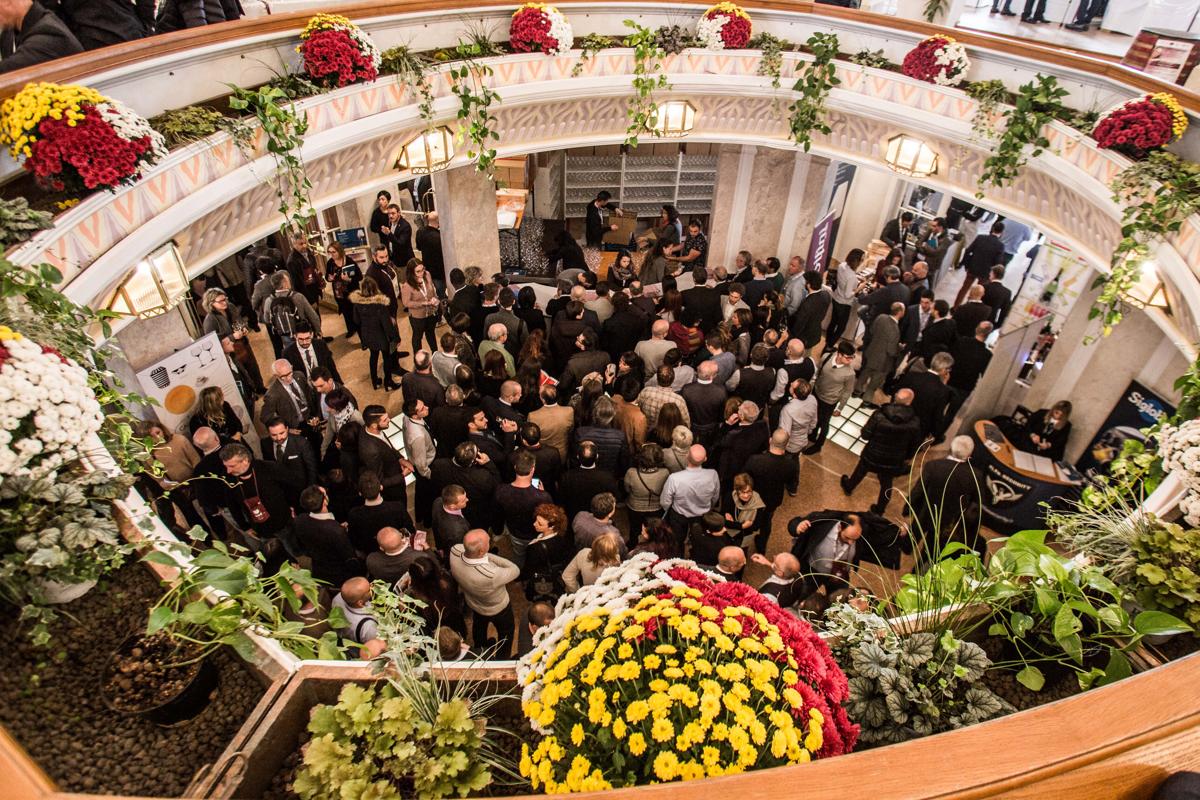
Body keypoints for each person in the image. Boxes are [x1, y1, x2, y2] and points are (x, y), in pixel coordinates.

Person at [840, 388, 923, 514]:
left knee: (860, 471)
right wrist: (906, 458)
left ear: (895, 397)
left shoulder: (879, 414)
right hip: (893, 459)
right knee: (886, 484)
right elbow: (914, 445)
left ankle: (849, 486)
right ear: (910, 402)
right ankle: (880, 509)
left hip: (872, 453)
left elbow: (865, 435)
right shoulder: (914, 422)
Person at [787, 510, 907, 593]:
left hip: (840, 574)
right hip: (812, 571)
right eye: (848, 538)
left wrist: (896, 532)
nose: (851, 542)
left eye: (854, 539)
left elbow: (879, 534)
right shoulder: (823, 524)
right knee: (802, 593)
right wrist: (797, 526)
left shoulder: (861, 533)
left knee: (839, 603)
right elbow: (793, 523)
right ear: (840, 527)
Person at [906, 435, 985, 557]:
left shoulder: (933, 466)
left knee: (913, 536)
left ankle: (906, 549)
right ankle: (922, 563)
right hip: (949, 522)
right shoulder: (976, 475)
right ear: (969, 454)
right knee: (931, 551)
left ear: (951, 448)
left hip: (925, 513)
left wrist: (908, 508)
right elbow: (977, 502)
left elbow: (918, 491)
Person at [449, 529, 520, 657]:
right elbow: (515, 569)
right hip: (498, 609)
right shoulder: (490, 574)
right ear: (481, 551)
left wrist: (480, 555)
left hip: (473, 603)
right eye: (488, 542)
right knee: (506, 632)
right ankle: (502, 657)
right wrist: (487, 556)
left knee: (479, 626)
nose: (490, 542)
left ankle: (481, 648)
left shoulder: (454, 551)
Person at [220, 442, 297, 551]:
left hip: (283, 523)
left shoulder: (269, 468)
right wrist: (245, 527)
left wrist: (293, 506)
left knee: (293, 549)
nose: (228, 471)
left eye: (232, 466)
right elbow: (232, 505)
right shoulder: (229, 480)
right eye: (226, 466)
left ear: (245, 460)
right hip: (260, 529)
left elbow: (290, 487)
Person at [494, 449, 552, 569]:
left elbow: (498, 513)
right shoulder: (543, 497)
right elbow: (549, 515)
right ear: (532, 469)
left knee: (518, 554)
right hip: (535, 533)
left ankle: (519, 570)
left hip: (515, 532)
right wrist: (542, 493)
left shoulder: (501, 490)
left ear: (515, 467)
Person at [293, 486, 362, 586]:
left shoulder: (300, 520)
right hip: (339, 573)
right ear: (325, 501)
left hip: (318, 568)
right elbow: (350, 558)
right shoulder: (336, 531)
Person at [744, 429, 799, 553]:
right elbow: (791, 483)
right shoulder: (791, 465)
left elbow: (744, 478)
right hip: (773, 499)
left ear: (770, 441)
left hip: (753, 499)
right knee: (767, 521)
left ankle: (745, 547)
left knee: (748, 522)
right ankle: (762, 545)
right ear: (787, 444)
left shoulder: (755, 460)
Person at [660, 444, 720, 549]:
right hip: (702, 515)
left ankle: (679, 555)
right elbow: (715, 497)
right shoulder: (713, 475)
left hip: (679, 515)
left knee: (677, 541)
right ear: (705, 459)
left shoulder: (675, 478)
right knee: (700, 542)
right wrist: (709, 508)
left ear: (687, 456)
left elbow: (665, 502)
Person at [260, 359, 323, 454]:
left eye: (290, 373)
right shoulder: (272, 394)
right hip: (295, 428)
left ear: (292, 368)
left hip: (311, 420)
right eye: (283, 376)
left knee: (319, 446)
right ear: (276, 376)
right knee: (306, 452)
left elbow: (310, 396)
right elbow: (265, 417)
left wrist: (317, 415)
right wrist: (286, 430)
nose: (288, 378)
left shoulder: (300, 375)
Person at [351, 276, 401, 391]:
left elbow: (356, 320)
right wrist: (396, 337)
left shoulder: (357, 303)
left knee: (373, 357)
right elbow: (387, 325)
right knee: (386, 358)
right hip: (381, 337)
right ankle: (388, 382)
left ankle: (375, 381)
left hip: (367, 336)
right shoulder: (380, 304)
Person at [806, 341, 856, 454]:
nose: (850, 360)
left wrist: (840, 408)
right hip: (817, 392)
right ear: (839, 354)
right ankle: (812, 435)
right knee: (814, 416)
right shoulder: (826, 357)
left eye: (852, 357)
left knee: (824, 423)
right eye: (848, 357)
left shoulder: (850, 373)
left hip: (829, 401)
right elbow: (818, 371)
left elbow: (847, 391)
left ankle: (819, 444)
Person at [347, 471, 415, 553]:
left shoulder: (354, 514)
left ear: (360, 493)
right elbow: (410, 531)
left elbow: (354, 541)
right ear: (381, 487)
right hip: (396, 549)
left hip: (370, 553)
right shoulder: (397, 507)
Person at [359, 405, 413, 503]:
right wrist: (402, 475)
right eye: (385, 420)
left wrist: (400, 459)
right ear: (374, 425)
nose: (389, 420)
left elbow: (388, 446)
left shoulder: (370, 428)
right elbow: (380, 480)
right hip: (393, 490)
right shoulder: (371, 452)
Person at [896, 351, 955, 441]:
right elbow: (937, 415)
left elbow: (897, 393)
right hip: (918, 430)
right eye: (949, 369)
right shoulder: (943, 391)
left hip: (899, 419)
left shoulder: (911, 375)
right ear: (944, 370)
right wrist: (934, 433)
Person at [522, 504, 572, 603]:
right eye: (536, 520)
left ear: (551, 527)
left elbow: (529, 568)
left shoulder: (535, 548)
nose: (534, 524)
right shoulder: (562, 537)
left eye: (540, 524)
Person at [856, 302, 905, 401]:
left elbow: (872, 331)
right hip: (883, 362)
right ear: (900, 312)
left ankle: (856, 391)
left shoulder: (881, 317)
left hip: (871, 353)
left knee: (864, 374)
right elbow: (891, 351)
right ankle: (866, 400)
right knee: (874, 384)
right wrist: (899, 348)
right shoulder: (895, 330)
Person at [623, 443, 669, 545]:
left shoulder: (631, 473)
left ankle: (633, 545)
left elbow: (627, 490)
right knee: (654, 531)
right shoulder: (665, 473)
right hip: (656, 508)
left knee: (635, 529)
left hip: (635, 508)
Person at [401, 397, 437, 526]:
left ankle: (420, 515)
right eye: (422, 408)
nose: (427, 407)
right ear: (415, 416)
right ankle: (427, 521)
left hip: (417, 460)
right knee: (427, 496)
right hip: (425, 466)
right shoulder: (418, 436)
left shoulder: (406, 417)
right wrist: (429, 475)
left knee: (421, 493)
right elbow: (421, 463)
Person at [955, 221, 1006, 307]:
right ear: (1002, 232)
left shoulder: (980, 237)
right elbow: (998, 262)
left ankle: (955, 307)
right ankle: (969, 308)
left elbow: (968, 251)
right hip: (986, 273)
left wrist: (965, 264)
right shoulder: (1000, 245)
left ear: (992, 228)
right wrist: (993, 274)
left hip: (972, 268)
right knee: (978, 292)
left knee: (964, 288)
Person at [262, 416, 318, 488]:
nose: (278, 438)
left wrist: (311, 489)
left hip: (301, 487)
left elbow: (312, 469)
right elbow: (269, 468)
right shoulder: (265, 444)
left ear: (287, 429)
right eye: (274, 435)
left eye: (282, 433)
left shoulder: (301, 443)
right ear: (268, 433)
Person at [681, 359, 727, 446]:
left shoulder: (686, 389)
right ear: (711, 377)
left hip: (692, 426)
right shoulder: (721, 391)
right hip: (711, 428)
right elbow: (722, 413)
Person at [948, 321, 994, 401]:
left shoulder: (962, 341)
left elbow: (949, 357)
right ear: (988, 334)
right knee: (954, 408)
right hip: (966, 387)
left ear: (976, 329)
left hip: (950, 379)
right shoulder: (987, 355)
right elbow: (984, 374)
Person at [325, 241, 362, 339]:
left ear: (339, 251)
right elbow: (327, 276)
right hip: (339, 293)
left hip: (352, 292)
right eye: (330, 252)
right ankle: (351, 329)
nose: (331, 254)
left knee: (355, 313)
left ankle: (361, 334)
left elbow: (360, 276)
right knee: (346, 312)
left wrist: (349, 279)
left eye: (333, 252)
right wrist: (329, 278)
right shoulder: (330, 263)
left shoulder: (349, 261)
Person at [528, 384, 573, 460]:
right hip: (562, 453)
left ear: (543, 400)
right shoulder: (569, 411)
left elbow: (531, 438)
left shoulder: (533, 416)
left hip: (542, 456)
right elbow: (570, 430)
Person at [789, 271, 830, 350]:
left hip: (803, 339)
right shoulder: (826, 295)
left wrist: (791, 338)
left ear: (808, 285)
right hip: (815, 334)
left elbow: (799, 325)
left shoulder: (807, 305)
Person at [725, 472, 765, 550]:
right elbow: (724, 521)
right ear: (737, 490)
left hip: (745, 536)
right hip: (729, 535)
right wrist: (742, 526)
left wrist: (733, 524)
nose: (746, 496)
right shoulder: (730, 497)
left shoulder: (757, 502)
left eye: (749, 491)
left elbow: (756, 526)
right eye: (743, 492)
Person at [331, 577, 378, 645]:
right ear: (360, 603)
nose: (373, 586)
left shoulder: (338, 598)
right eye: (369, 589)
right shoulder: (368, 627)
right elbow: (373, 645)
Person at [285, 234, 325, 311]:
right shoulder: (292, 261)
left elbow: (314, 270)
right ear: (294, 244)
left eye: (305, 242)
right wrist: (311, 301)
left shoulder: (309, 252)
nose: (304, 246)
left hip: (315, 290)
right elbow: (298, 284)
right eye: (301, 244)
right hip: (306, 295)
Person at [431, 484, 471, 556]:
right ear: (452, 506)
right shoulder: (457, 532)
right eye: (463, 501)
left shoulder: (438, 501)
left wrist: (439, 547)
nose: (467, 499)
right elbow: (455, 551)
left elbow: (435, 525)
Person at [415, 211, 445, 293]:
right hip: (439, 272)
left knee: (429, 291)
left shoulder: (420, 232)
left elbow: (419, 248)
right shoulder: (440, 237)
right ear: (438, 221)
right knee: (440, 293)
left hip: (426, 269)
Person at [381, 204, 415, 268]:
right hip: (394, 260)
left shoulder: (405, 226)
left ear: (398, 213)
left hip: (404, 261)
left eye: (393, 213)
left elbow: (400, 243)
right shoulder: (390, 223)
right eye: (389, 214)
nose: (390, 216)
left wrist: (389, 234)